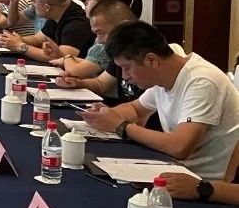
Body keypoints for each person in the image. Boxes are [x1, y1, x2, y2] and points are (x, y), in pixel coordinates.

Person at [81, 21, 239, 179]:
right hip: (175, 170)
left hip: (201, 182)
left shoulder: (202, 81)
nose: (124, 76)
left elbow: (180, 147)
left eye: (126, 67)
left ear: (151, 60)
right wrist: (105, 115)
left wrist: (121, 126)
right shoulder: (164, 75)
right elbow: (136, 109)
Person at [55, 0, 143, 79]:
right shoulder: (104, 34)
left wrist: (67, 58)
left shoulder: (108, 43)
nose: (86, 2)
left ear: (105, 5)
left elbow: (77, 71)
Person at [54, 0, 139, 101]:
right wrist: (77, 83)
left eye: (101, 33)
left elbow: (139, 107)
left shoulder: (142, 54)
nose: (98, 40)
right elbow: (101, 84)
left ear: (123, 27)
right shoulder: (119, 52)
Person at [0, 0, 93, 61]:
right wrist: (17, 39)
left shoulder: (77, 23)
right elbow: (37, 39)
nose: (32, 4)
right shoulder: (57, 13)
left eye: (35, 1)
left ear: (47, 7)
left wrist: (20, 46)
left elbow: (62, 57)